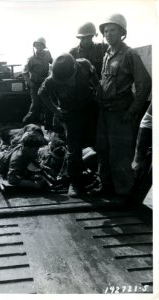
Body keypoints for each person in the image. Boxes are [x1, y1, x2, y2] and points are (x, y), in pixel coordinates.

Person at [93, 13, 151, 197]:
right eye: (106, 31)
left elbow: (144, 84)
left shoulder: (129, 54)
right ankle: (106, 187)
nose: (108, 34)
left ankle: (123, 193)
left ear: (122, 33)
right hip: (105, 112)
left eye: (113, 30)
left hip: (120, 113)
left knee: (120, 154)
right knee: (103, 150)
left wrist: (132, 111)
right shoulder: (107, 54)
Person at [37, 53, 101, 197]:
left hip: (90, 109)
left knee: (99, 142)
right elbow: (42, 94)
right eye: (63, 82)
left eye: (69, 80)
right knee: (73, 149)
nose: (67, 84)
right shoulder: (51, 80)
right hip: (70, 113)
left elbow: (97, 84)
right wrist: (56, 110)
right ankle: (75, 182)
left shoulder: (84, 65)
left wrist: (101, 99)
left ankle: (104, 179)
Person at [22, 37, 53, 126]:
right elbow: (25, 72)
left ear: (43, 46)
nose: (39, 47)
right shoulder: (31, 59)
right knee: (35, 104)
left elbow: (53, 62)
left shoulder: (47, 54)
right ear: (34, 46)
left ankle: (48, 125)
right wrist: (30, 84)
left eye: (41, 45)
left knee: (48, 104)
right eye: (37, 45)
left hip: (45, 83)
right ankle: (26, 123)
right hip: (35, 84)